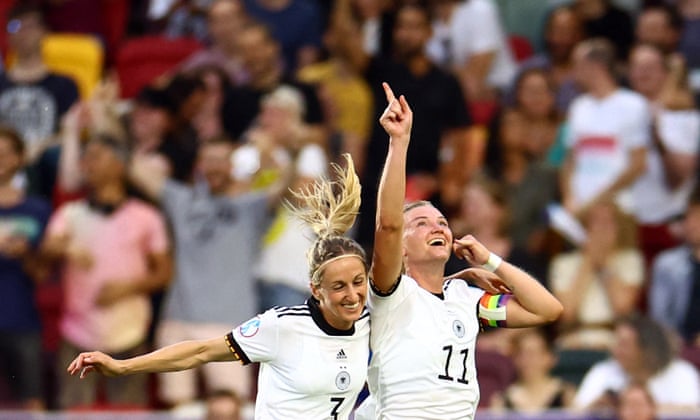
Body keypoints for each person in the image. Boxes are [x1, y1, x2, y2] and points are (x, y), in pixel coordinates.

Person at [67, 154, 372, 420]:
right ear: (316, 291)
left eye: (358, 282)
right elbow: (199, 351)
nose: (352, 295)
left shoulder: (370, 323)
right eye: (339, 286)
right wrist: (123, 367)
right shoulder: (282, 325)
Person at [354, 83, 562, 419]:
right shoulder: (391, 292)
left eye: (441, 222)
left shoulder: (467, 301)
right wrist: (399, 142)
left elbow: (546, 310)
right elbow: (389, 226)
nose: (436, 227)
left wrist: (490, 261)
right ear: (402, 250)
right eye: (420, 223)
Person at [41, 133, 172, 409]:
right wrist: (57, 249)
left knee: (130, 413)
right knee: (73, 412)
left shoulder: (146, 216)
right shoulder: (69, 214)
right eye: (85, 157)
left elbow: (165, 273)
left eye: (96, 157)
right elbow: (45, 256)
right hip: (77, 332)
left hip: (129, 331)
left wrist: (128, 288)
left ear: (119, 166)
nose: (87, 164)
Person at [0, 126, 52, 410]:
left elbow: (43, 273)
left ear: (20, 158)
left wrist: (26, 254)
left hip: (22, 319)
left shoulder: (38, 210)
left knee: (33, 400)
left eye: (5, 154)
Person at [574, 314, 700, 414]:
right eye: (616, 343)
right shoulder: (602, 372)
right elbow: (572, 413)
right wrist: (596, 408)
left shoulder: (682, 373)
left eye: (624, 345)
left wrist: (644, 408)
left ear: (647, 348)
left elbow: (693, 412)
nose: (616, 350)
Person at [490, 328, 576, 412]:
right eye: (522, 354)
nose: (527, 361)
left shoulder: (566, 395)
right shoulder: (501, 400)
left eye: (533, 354)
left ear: (549, 357)